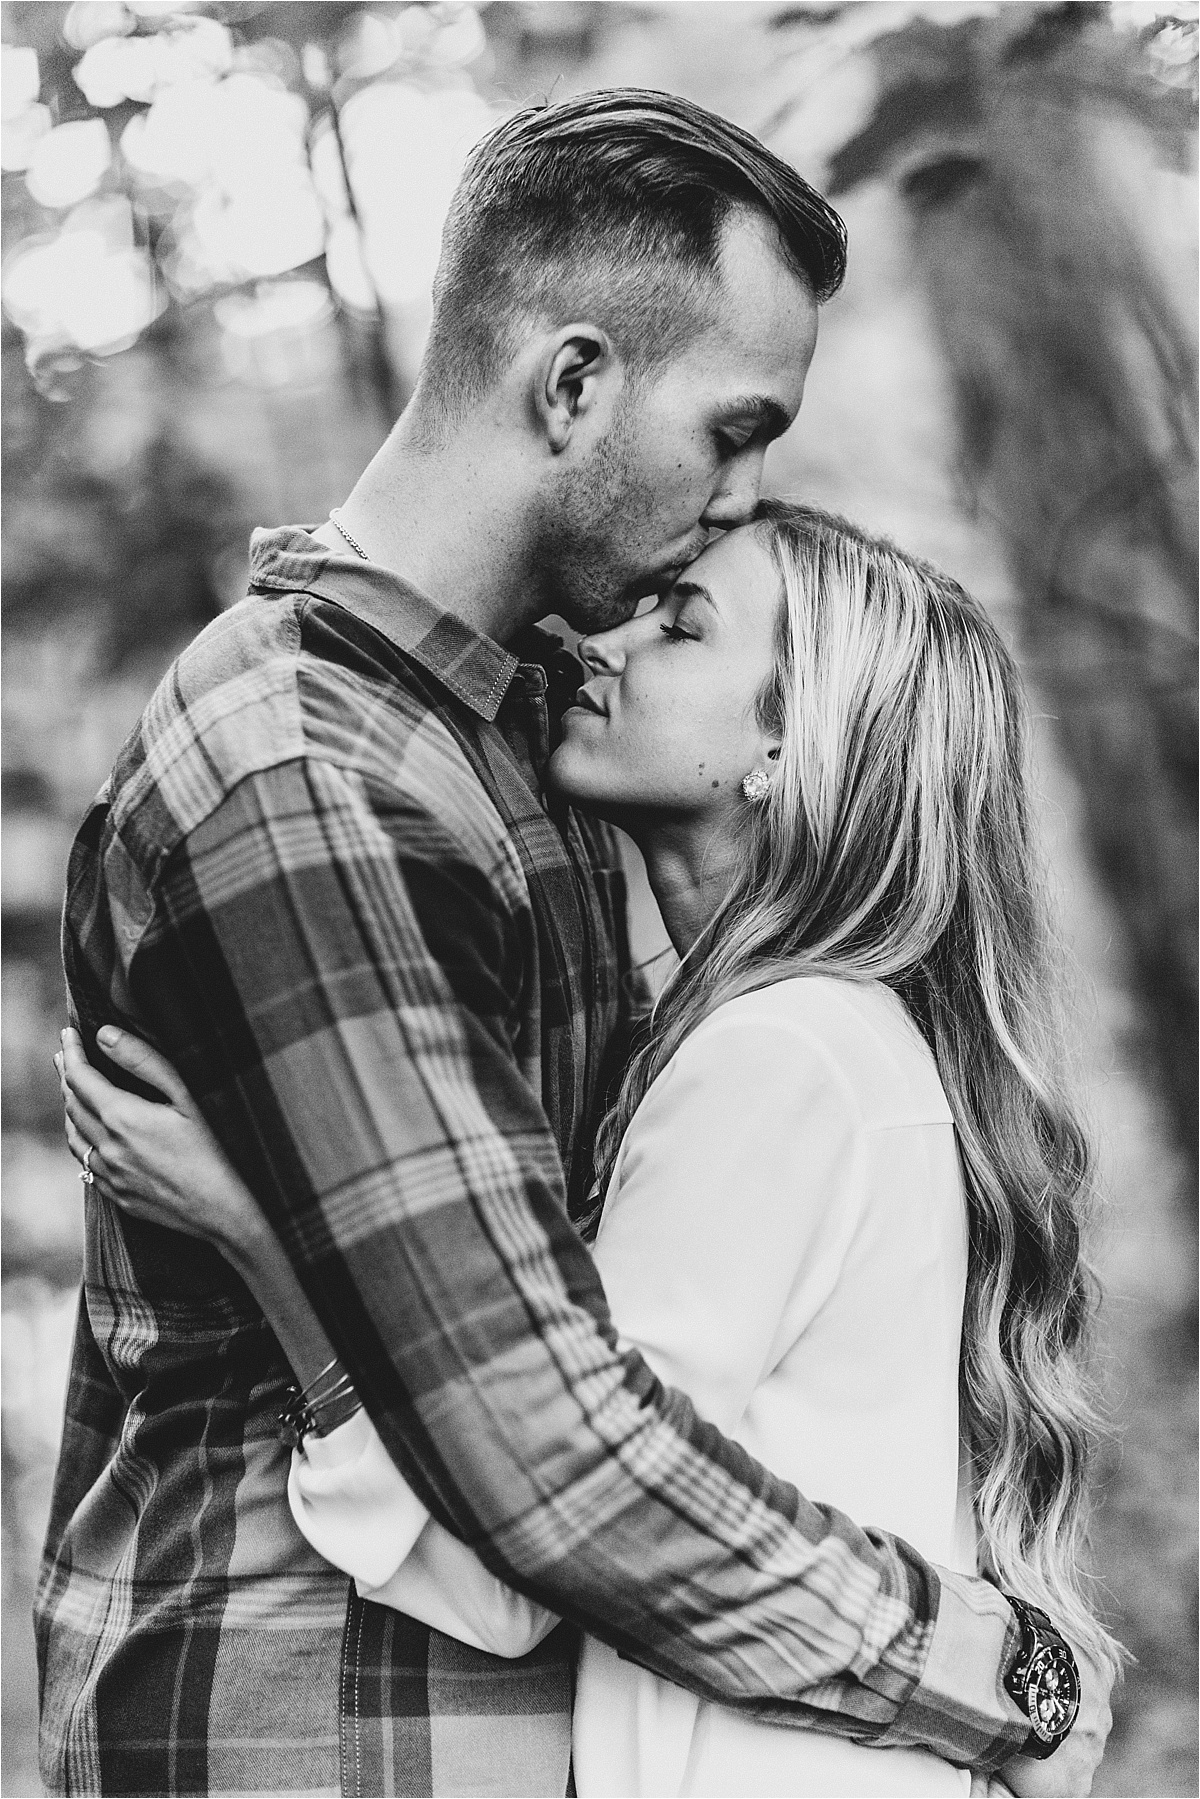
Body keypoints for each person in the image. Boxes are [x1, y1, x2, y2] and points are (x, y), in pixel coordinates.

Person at [40, 89, 1111, 1799]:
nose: (746, 495)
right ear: (574, 385)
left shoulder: (512, 741)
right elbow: (552, 1444)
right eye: (734, 429)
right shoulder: (316, 769)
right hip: (323, 1726)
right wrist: (995, 1674)